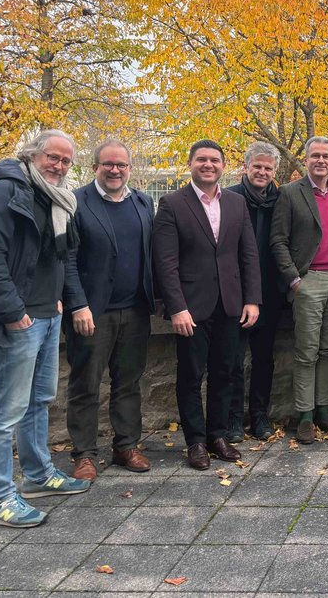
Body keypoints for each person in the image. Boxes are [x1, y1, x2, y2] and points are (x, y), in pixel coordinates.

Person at [0, 129, 90, 528]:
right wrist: (11, 311)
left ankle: (38, 476)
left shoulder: (56, 198)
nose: (59, 165)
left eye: (66, 160)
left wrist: (59, 299)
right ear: (32, 155)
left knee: (38, 400)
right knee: (4, 412)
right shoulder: (7, 192)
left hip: (48, 315)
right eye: (52, 157)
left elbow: (58, 257)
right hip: (20, 320)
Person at [152, 139, 261, 470]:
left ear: (223, 166)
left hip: (230, 305)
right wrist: (177, 307)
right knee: (190, 376)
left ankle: (218, 435)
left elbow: (248, 254)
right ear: (191, 164)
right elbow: (165, 262)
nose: (208, 165)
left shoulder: (236, 203)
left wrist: (252, 299)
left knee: (225, 373)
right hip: (191, 308)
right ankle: (195, 442)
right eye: (202, 159)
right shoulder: (172, 204)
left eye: (215, 160)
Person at [64, 140, 155, 481]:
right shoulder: (76, 202)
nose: (115, 170)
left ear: (130, 168)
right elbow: (67, 259)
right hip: (93, 313)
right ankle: (84, 454)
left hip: (135, 310)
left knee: (128, 383)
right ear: (95, 168)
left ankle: (126, 446)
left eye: (121, 165)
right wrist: (78, 304)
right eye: (108, 164)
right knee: (86, 384)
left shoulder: (143, 202)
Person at [270, 136, 328, 444]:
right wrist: (295, 280)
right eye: (315, 155)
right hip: (309, 280)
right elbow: (278, 240)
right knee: (307, 351)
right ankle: (305, 415)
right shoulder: (290, 193)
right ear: (306, 160)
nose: (321, 160)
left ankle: (324, 410)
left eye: (326, 156)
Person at [226, 141, 286, 442]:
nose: (262, 172)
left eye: (268, 168)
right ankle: (234, 419)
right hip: (235, 292)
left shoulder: (281, 200)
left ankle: (260, 416)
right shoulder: (229, 198)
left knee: (264, 359)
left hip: (271, 292)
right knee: (234, 360)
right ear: (246, 167)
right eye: (257, 166)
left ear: (274, 171)